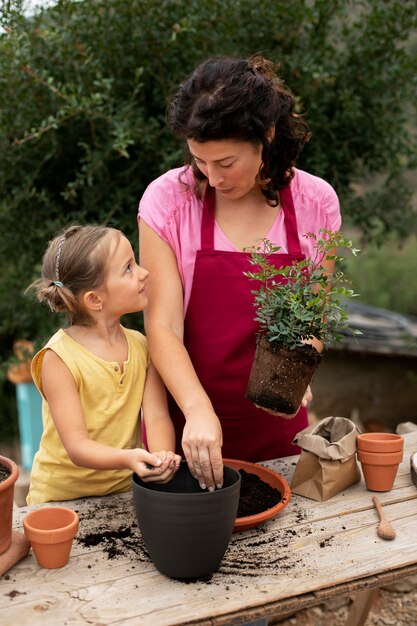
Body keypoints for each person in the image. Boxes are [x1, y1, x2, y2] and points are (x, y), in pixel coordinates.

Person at [138, 55, 341, 492]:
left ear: (266, 136)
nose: (211, 178)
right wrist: (197, 410)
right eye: (199, 161)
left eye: (225, 162)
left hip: (277, 427)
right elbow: (162, 325)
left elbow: (311, 316)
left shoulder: (315, 202)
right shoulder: (167, 202)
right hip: (186, 430)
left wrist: (298, 370)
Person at [26, 224, 181, 505]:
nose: (143, 272)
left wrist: (162, 456)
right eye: (128, 268)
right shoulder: (58, 358)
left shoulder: (142, 346)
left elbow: (157, 415)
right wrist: (129, 458)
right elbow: (77, 446)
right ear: (95, 299)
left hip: (123, 494)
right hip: (59, 500)